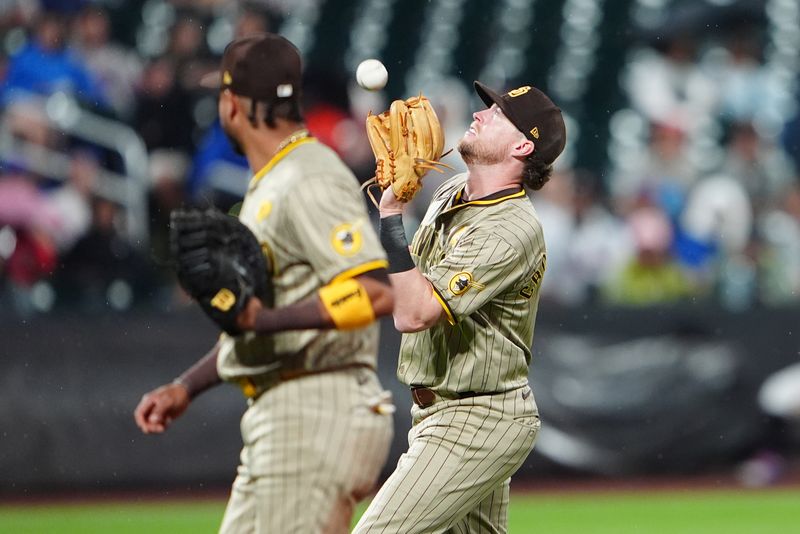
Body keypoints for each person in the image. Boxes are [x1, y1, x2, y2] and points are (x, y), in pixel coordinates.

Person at [133, 34, 395, 534]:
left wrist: (267, 319)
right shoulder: (273, 182)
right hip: (286, 413)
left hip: (314, 410)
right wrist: (187, 387)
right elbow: (258, 319)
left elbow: (373, 292)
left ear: (233, 105)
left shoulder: (308, 174)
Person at [354, 81, 566, 533]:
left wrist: (391, 220)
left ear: (522, 145)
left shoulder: (511, 229)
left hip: (478, 419)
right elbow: (414, 285)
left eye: (497, 114)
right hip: (443, 409)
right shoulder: (452, 190)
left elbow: (413, 315)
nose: (480, 113)